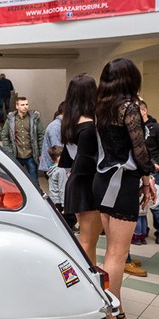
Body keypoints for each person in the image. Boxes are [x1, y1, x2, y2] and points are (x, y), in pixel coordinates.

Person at [93, 58, 155, 319]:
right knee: (117, 254)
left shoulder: (101, 106)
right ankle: (109, 313)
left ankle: (117, 313)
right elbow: (139, 147)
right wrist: (147, 177)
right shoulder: (128, 107)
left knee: (111, 253)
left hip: (104, 178)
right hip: (121, 180)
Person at [60, 75, 110, 268]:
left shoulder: (70, 122)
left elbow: (67, 158)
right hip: (87, 184)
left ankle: (90, 281)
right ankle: (89, 284)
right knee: (89, 241)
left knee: (86, 239)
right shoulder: (89, 126)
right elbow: (86, 161)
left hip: (77, 182)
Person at [137, 99, 159, 245]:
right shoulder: (134, 128)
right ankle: (142, 231)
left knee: (155, 202)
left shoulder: (157, 128)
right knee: (140, 203)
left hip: (152, 170)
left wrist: (157, 164)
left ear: (144, 110)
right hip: (138, 169)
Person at [0, 97, 44, 183]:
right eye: (22, 105)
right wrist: (9, 150)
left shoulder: (34, 118)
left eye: (27, 104)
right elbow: (4, 135)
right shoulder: (11, 119)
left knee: (34, 181)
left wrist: (41, 152)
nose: (25, 107)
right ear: (17, 106)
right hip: (16, 155)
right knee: (15, 181)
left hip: (31, 155)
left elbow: (41, 135)